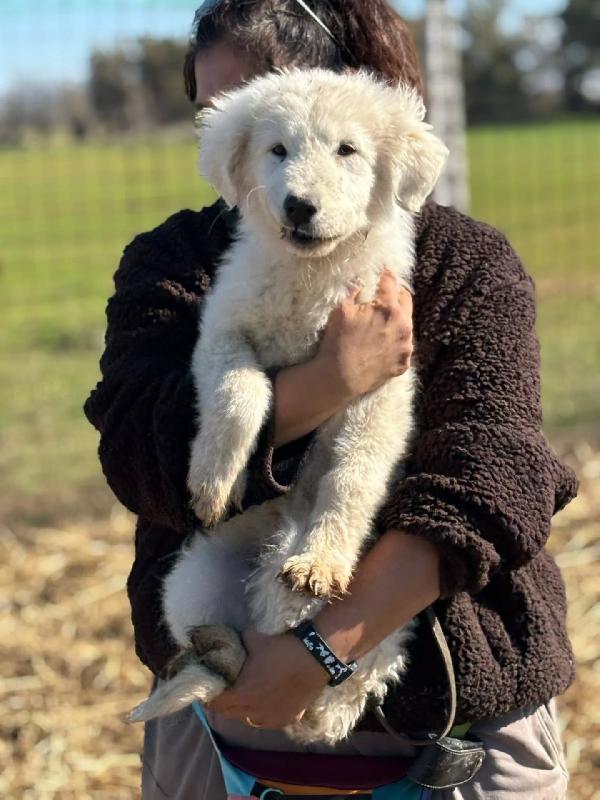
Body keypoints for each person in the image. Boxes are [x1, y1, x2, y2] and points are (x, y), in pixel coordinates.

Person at [83, 1, 577, 797]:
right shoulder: (175, 261)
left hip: (444, 721)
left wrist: (319, 653)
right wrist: (325, 384)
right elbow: (142, 460)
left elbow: (494, 484)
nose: (237, 135)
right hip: (227, 721)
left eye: (258, 97)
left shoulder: (464, 263)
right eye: (214, 114)